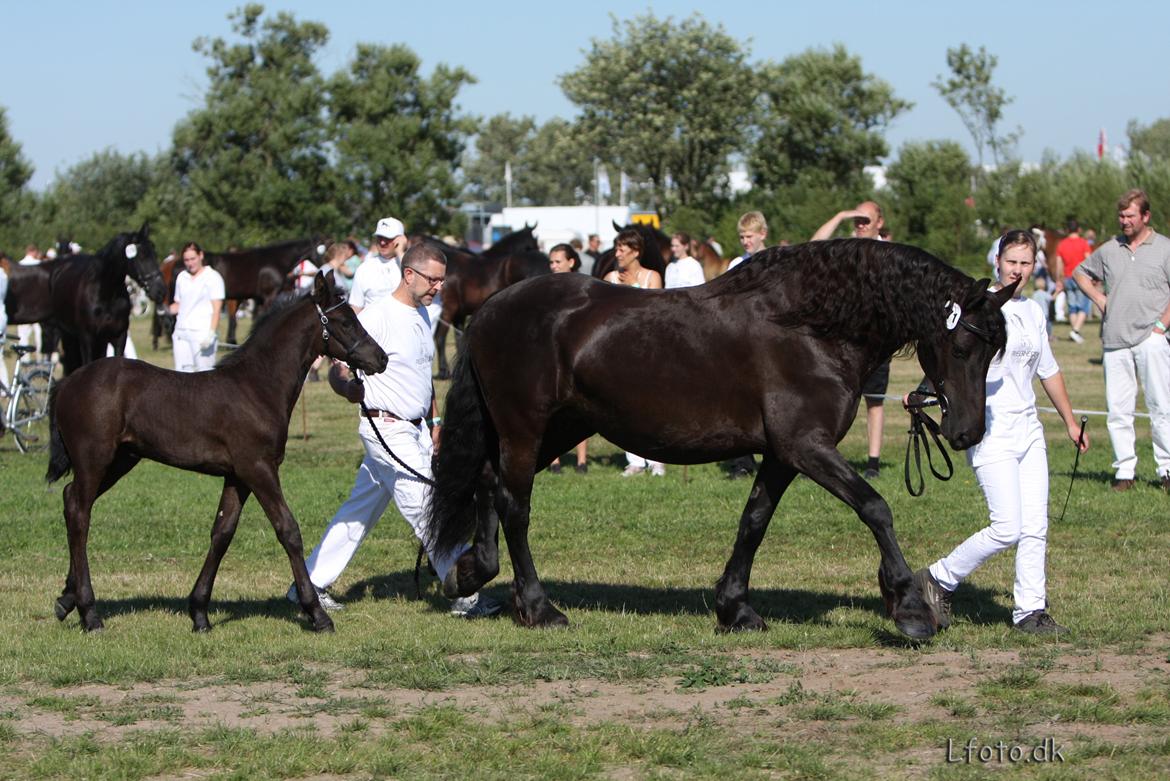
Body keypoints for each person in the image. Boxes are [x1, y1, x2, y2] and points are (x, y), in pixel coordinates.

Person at [293, 243, 502, 618]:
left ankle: (305, 586)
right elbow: (338, 370)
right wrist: (347, 389)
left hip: (417, 430)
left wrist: (435, 421)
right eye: (432, 279)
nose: (439, 286)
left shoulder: (424, 314)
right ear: (409, 274)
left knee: (356, 514)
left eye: (442, 279)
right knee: (425, 506)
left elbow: (423, 376)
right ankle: (464, 594)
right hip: (385, 428)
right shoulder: (377, 316)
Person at [914, 229, 1088, 635]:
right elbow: (949, 358)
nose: (1018, 271)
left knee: (1035, 525)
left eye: (1026, 264)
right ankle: (938, 577)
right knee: (1007, 525)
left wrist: (1069, 421)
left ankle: (1030, 611)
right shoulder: (977, 308)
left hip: (1028, 427)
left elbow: (1048, 370)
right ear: (998, 262)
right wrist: (924, 391)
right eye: (1012, 262)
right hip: (989, 427)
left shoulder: (1031, 311)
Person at [1073, 189, 1170, 492]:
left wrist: (1161, 326)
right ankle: (1124, 472)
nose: (1124, 221)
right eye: (1121, 215)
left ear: (1145, 216)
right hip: (1114, 340)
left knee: (1161, 407)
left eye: (1130, 215)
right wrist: (1100, 299)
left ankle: (1167, 470)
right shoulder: (1109, 248)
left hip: (1151, 339)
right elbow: (1080, 273)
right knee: (1118, 410)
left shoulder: (1164, 248)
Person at [812, 201, 889, 478]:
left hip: (876, 340)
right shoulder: (847, 248)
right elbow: (815, 244)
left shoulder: (889, 253)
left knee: (875, 400)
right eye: (856, 221)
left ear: (879, 222)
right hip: (846, 341)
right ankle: (826, 455)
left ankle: (873, 462)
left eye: (865, 220)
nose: (860, 225)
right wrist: (840, 214)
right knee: (834, 398)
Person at [603, 230, 665, 477]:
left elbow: (655, 311)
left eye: (621, 249)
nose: (616, 254)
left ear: (635, 252)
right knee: (625, 407)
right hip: (618, 349)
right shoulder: (610, 277)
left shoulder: (652, 277)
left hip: (647, 348)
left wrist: (631, 289)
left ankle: (658, 458)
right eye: (616, 248)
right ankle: (635, 459)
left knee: (652, 404)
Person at [725, 211, 769, 478]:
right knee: (738, 401)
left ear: (762, 234)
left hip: (768, 341)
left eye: (749, 236)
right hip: (741, 340)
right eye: (742, 237)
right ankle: (742, 460)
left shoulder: (775, 261)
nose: (745, 241)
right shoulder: (736, 264)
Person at [546, 243, 590, 475]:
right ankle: (554, 461)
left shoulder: (582, 287)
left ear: (571, 262)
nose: (553, 267)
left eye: (558, 262)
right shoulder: (548, 289)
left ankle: (582, 461)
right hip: (553, 356)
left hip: (577, 355)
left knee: (582, 408)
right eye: (551, 262)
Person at [169, 242, 225, 373]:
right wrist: (164, 309)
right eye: (186, 260)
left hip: (202, 334)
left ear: (201, 256)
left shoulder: (213, 277)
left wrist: (211, 333)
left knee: (204, 375)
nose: (190, 263)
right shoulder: (182, 277)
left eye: (192, 259)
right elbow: (180, 304)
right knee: (181, 374)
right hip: (181, 332)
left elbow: (216, 309)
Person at [350, 217, 407, 313]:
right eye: (380, 237)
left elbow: (416, 280)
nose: (382, 242)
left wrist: (400, 252)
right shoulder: (365, 268)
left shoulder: (408, 264)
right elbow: (356, 307)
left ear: (400, 240)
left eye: (388, 238)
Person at [1054, 219, 1093, 343]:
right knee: (1084, 305)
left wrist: (1059, 279)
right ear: (1079, 229)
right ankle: (1075, 330)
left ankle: (1075, 332)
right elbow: (1089, 260)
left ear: (1067, 230)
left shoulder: (1062, 244)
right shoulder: (1083, 243)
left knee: (1072, 307)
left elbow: (1059, 264)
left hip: (1067, 277)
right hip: (1081, 277)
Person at [16, 244, 42, 360]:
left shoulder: (19, 265)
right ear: (34, 252)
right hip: (37, 303)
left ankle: (24, 358)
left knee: (23, 333)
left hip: (23, 304)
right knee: (38, 332)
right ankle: (40, 354)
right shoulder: (38, 265)